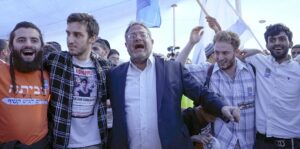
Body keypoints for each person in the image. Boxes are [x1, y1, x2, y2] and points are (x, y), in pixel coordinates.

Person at [108, 22, 240, 149]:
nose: (137, 38)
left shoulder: (172, 70)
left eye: (143, 35)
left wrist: (222, 107)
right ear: (126, 45)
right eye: (132, 36)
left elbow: (201, 93)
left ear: (152, 42)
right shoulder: (114, 76)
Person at [176, 28, 256, 149]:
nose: (219, 57)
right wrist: (191, 43)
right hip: (219, 144)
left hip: (249, 143)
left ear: (236, 51)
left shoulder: (251, 71)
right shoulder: (207, 71)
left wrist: (258, 51)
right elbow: (176, 69)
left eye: (225, 53)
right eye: (216, 52)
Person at [45, 13, 111, 148]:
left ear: (92, 38)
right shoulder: (55, 61)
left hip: (95, 143)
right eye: (68, 34)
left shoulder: (105, 67)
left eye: (77, 35)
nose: (70, 40)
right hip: (62, 142)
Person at [241, 23, 300, 149]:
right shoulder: (259, 61)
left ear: (290, 43)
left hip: (291, 143)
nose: (277, 43)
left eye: (282, 39)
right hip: (262, 142)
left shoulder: (298, 69)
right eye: (272, 40)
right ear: (267, 45)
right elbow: (233, 52)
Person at [0, 21, 50, 148]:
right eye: (21, 40)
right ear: (11, 47)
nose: (28, 44)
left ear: (41, 46)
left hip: (42, 145)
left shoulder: (50, 74)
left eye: (34, 40)